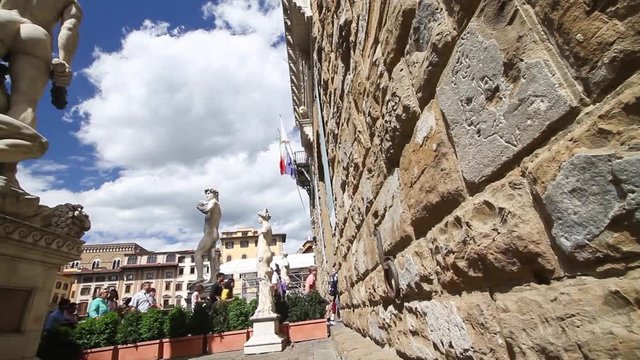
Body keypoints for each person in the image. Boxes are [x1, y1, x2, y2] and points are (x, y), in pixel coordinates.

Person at [0, 0, 81, 166]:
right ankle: (7, 170)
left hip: (3, 19)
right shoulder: (70, 2)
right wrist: (65, 62)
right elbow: (69, 28)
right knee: (25, 104)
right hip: (36, 35)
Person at [194, 188, 222, 284]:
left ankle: (200, 277)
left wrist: (199, 206)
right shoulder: (216, 205)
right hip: (214, 233)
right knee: (212, 257)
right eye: (206, 194)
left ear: (215, 194)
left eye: (209, 193)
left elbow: (206, 210)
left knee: (198, 254)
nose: (207, 196)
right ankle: (213, 279)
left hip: (210, 233)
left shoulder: (213, 202)